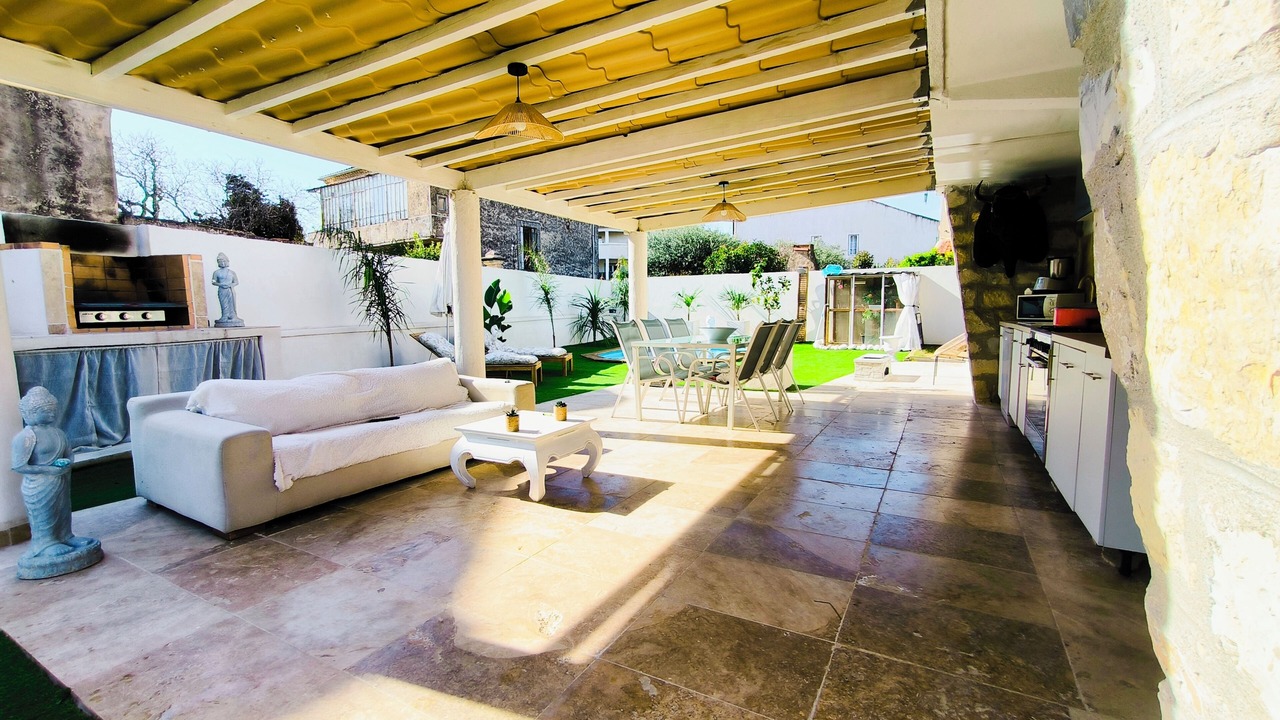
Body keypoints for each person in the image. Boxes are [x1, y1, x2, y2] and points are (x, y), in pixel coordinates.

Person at [11, 387, 101, 578]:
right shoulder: (26, 437)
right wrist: (48, 469)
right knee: (44, 513)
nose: (52, 413)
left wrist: (66, 463)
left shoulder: (58, 432)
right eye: (46, 410)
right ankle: (46, 543)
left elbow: (68, 453)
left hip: (59, 479)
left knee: (62, 510)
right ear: (31, 413)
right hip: (39, 485)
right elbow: (20, 466)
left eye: (53, 409)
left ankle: (65, 536)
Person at [212, 252, 244, 327]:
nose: (222, 263)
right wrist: (221, 284)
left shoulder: (232, 272)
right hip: (222, 290)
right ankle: (224, 316)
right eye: (220, 261)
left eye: (224, 261)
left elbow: (236, 282)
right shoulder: (216, 272)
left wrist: (229, 285)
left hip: (230, 289)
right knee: (224, 303)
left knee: (232, 303)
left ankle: (233, 316)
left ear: (227, 261)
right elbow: (213, 282)